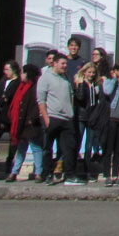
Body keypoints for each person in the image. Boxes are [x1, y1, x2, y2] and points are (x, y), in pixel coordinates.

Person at [38, 56, 83, 185]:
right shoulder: (45, 78)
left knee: (69, 148)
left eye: (65, 64)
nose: (65, 66)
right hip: (52, 117)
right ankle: (47, 174)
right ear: (55, 63)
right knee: (48, 149)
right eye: (62, 63)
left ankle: (69, 175)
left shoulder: (65, 78)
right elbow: (40, 100)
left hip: (66, 119)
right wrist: (46, 119)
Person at [8, 65, 45, 183]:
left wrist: (31, 119)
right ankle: (14, 172)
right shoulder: (21, 87)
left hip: (31, 124)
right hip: (21, 123)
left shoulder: (34, 87)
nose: (21, 75)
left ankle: (38, 172)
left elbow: (36, 105)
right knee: (21, 149)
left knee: (36, 148)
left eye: (23, 73)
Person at [99, 64, 119, 187]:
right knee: (109, 149)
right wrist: (114, 79)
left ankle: (116, 175)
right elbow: (107, 91)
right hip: (111, 119)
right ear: (116, 71)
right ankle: (107, 175)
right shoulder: (110, 82)